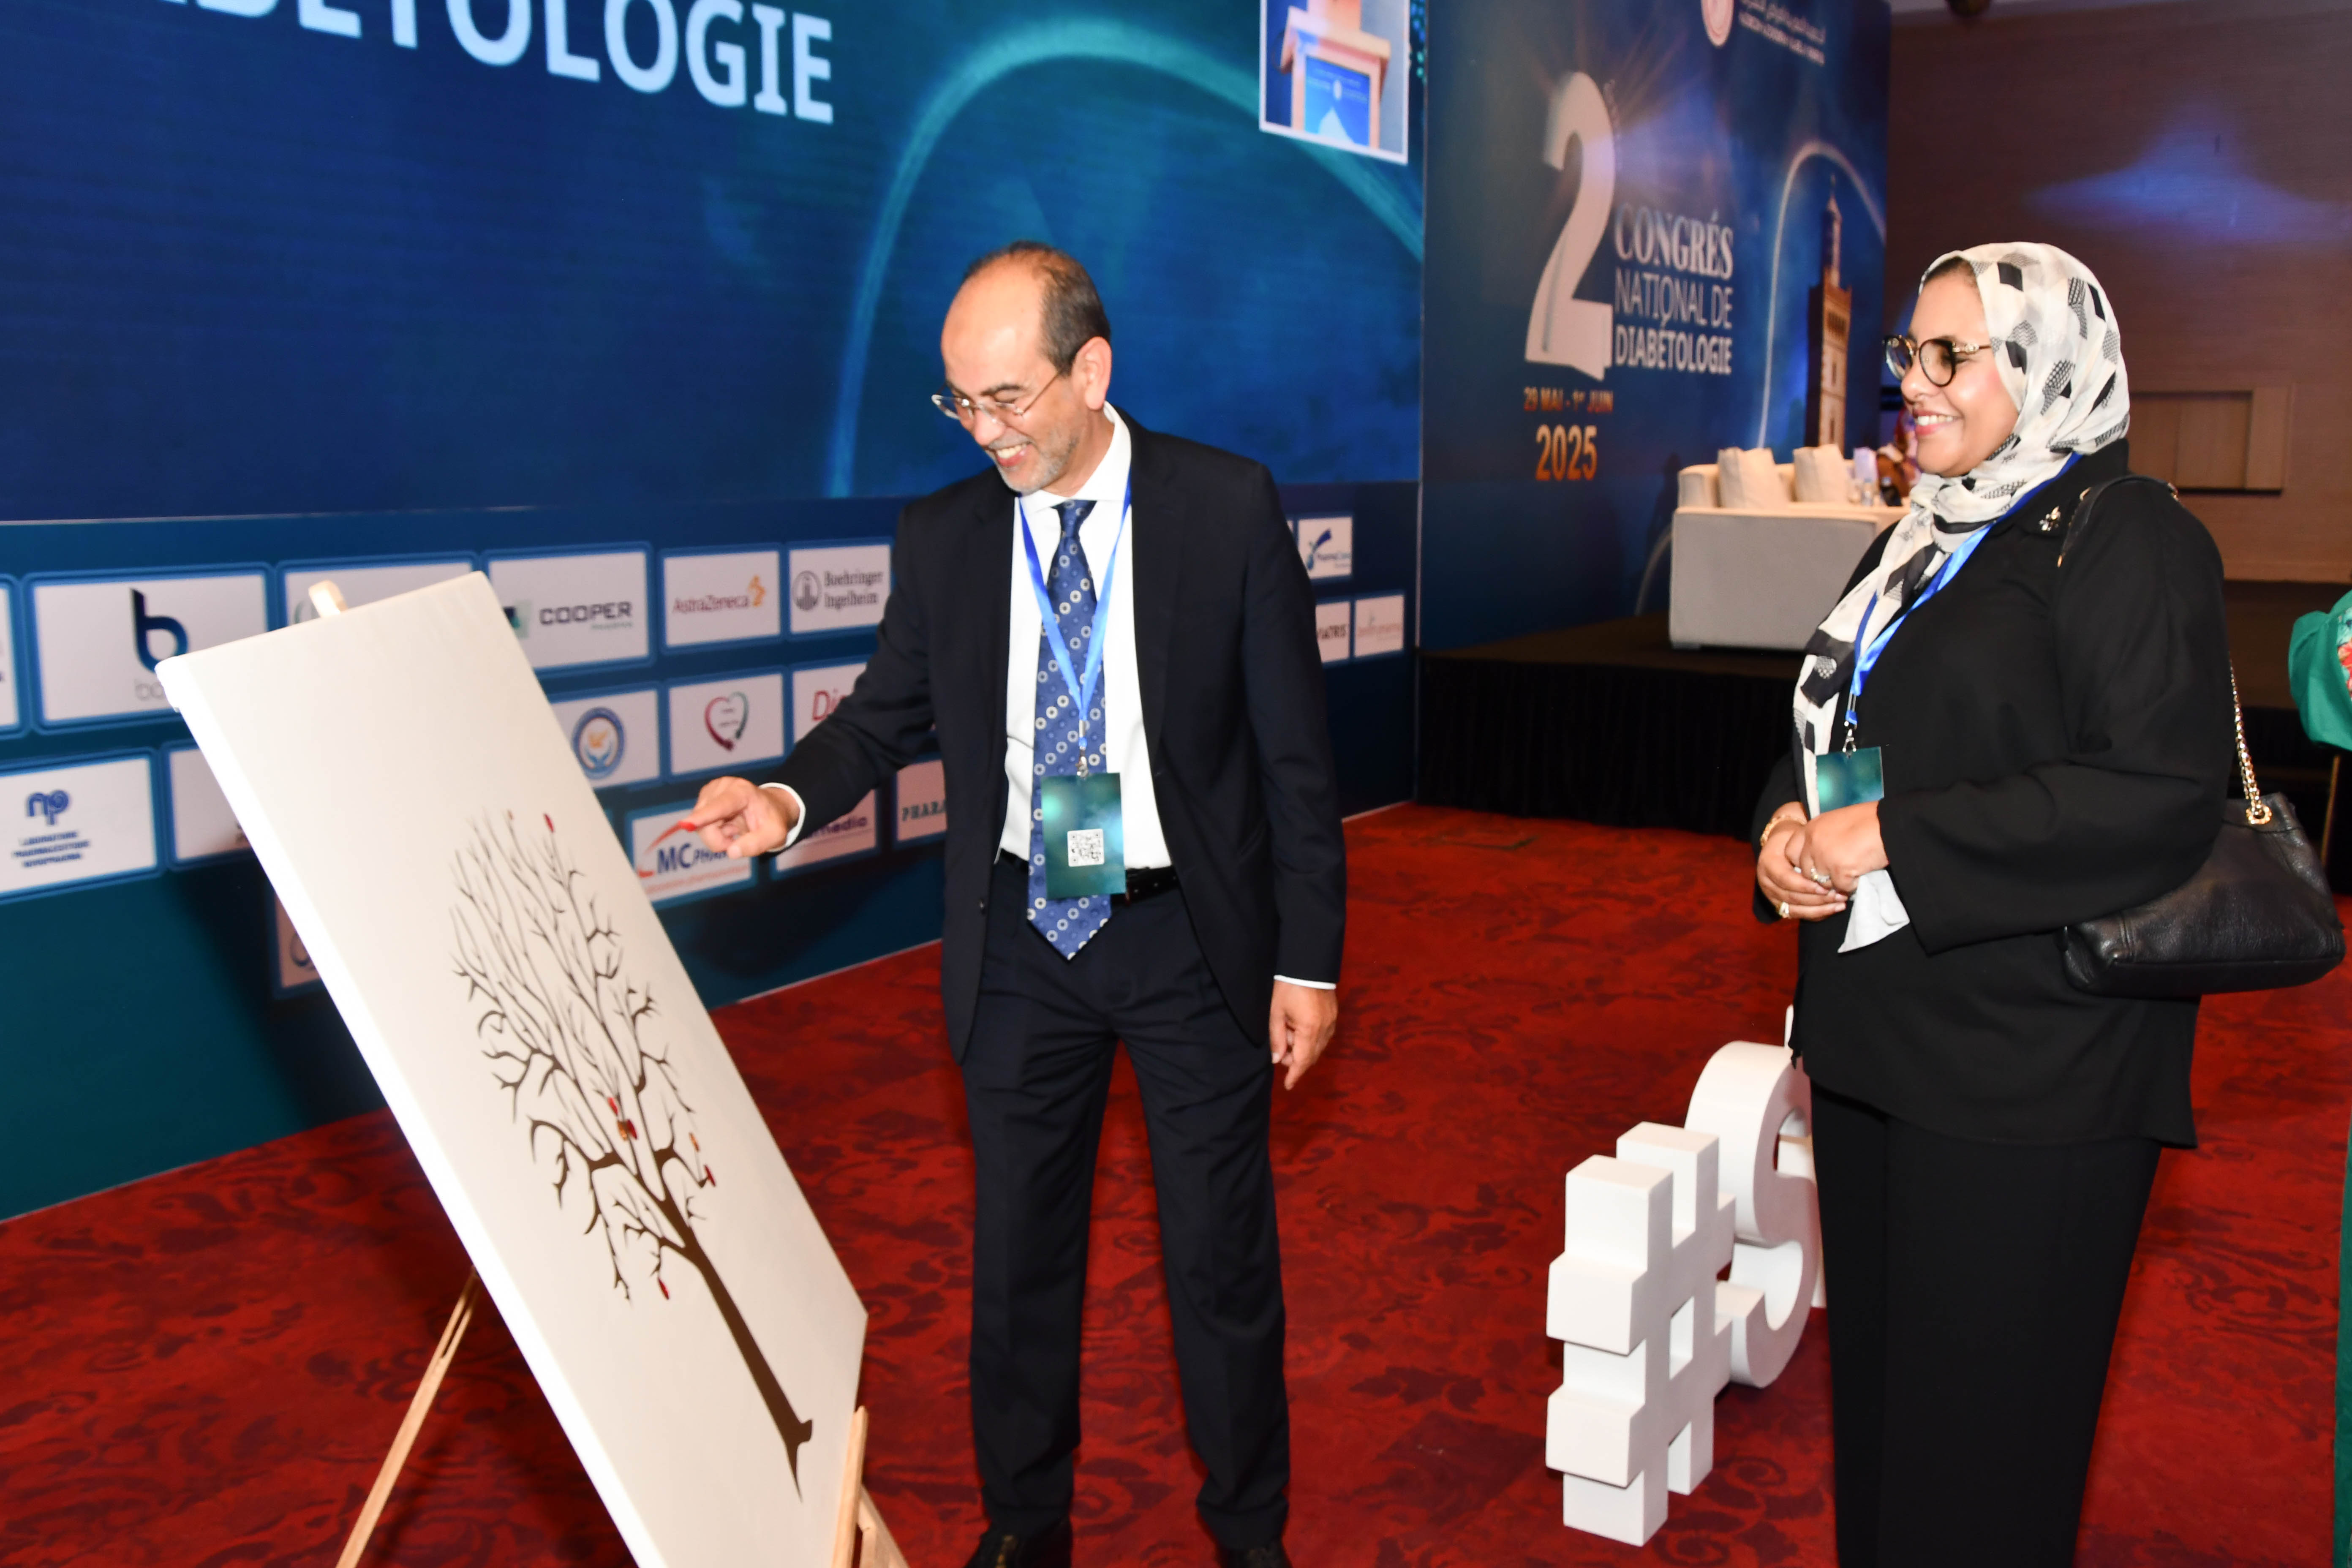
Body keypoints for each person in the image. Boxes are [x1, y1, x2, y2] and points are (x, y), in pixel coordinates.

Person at [691, 242, 1344, 1568]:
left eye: (1008, 398)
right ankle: (1024, 1527)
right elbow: (879, 719)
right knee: (1017, 1265)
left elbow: (1294, 759)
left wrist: (1310, 962)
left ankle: (1249, 1534)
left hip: (1190, 939)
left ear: (1091, 371)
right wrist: (785, 799)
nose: (986, 431)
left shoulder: (1224, 508)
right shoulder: (945, 536)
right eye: (961, 403)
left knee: (1219, 1263)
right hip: (1024, 939)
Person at [1751, 243, 2232, 1566]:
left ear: (2049, 365)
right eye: (1908, 352)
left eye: (1950, 356)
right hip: (1878, 1049)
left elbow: (2155, 795)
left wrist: (1893, 838)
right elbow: (1835, 732)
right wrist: (1784, 832)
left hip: (2033, 1083)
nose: (1914, 382)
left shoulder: (2130, 537)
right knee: (1887, 1433)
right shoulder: (1918, 537)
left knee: (1982, 1463)